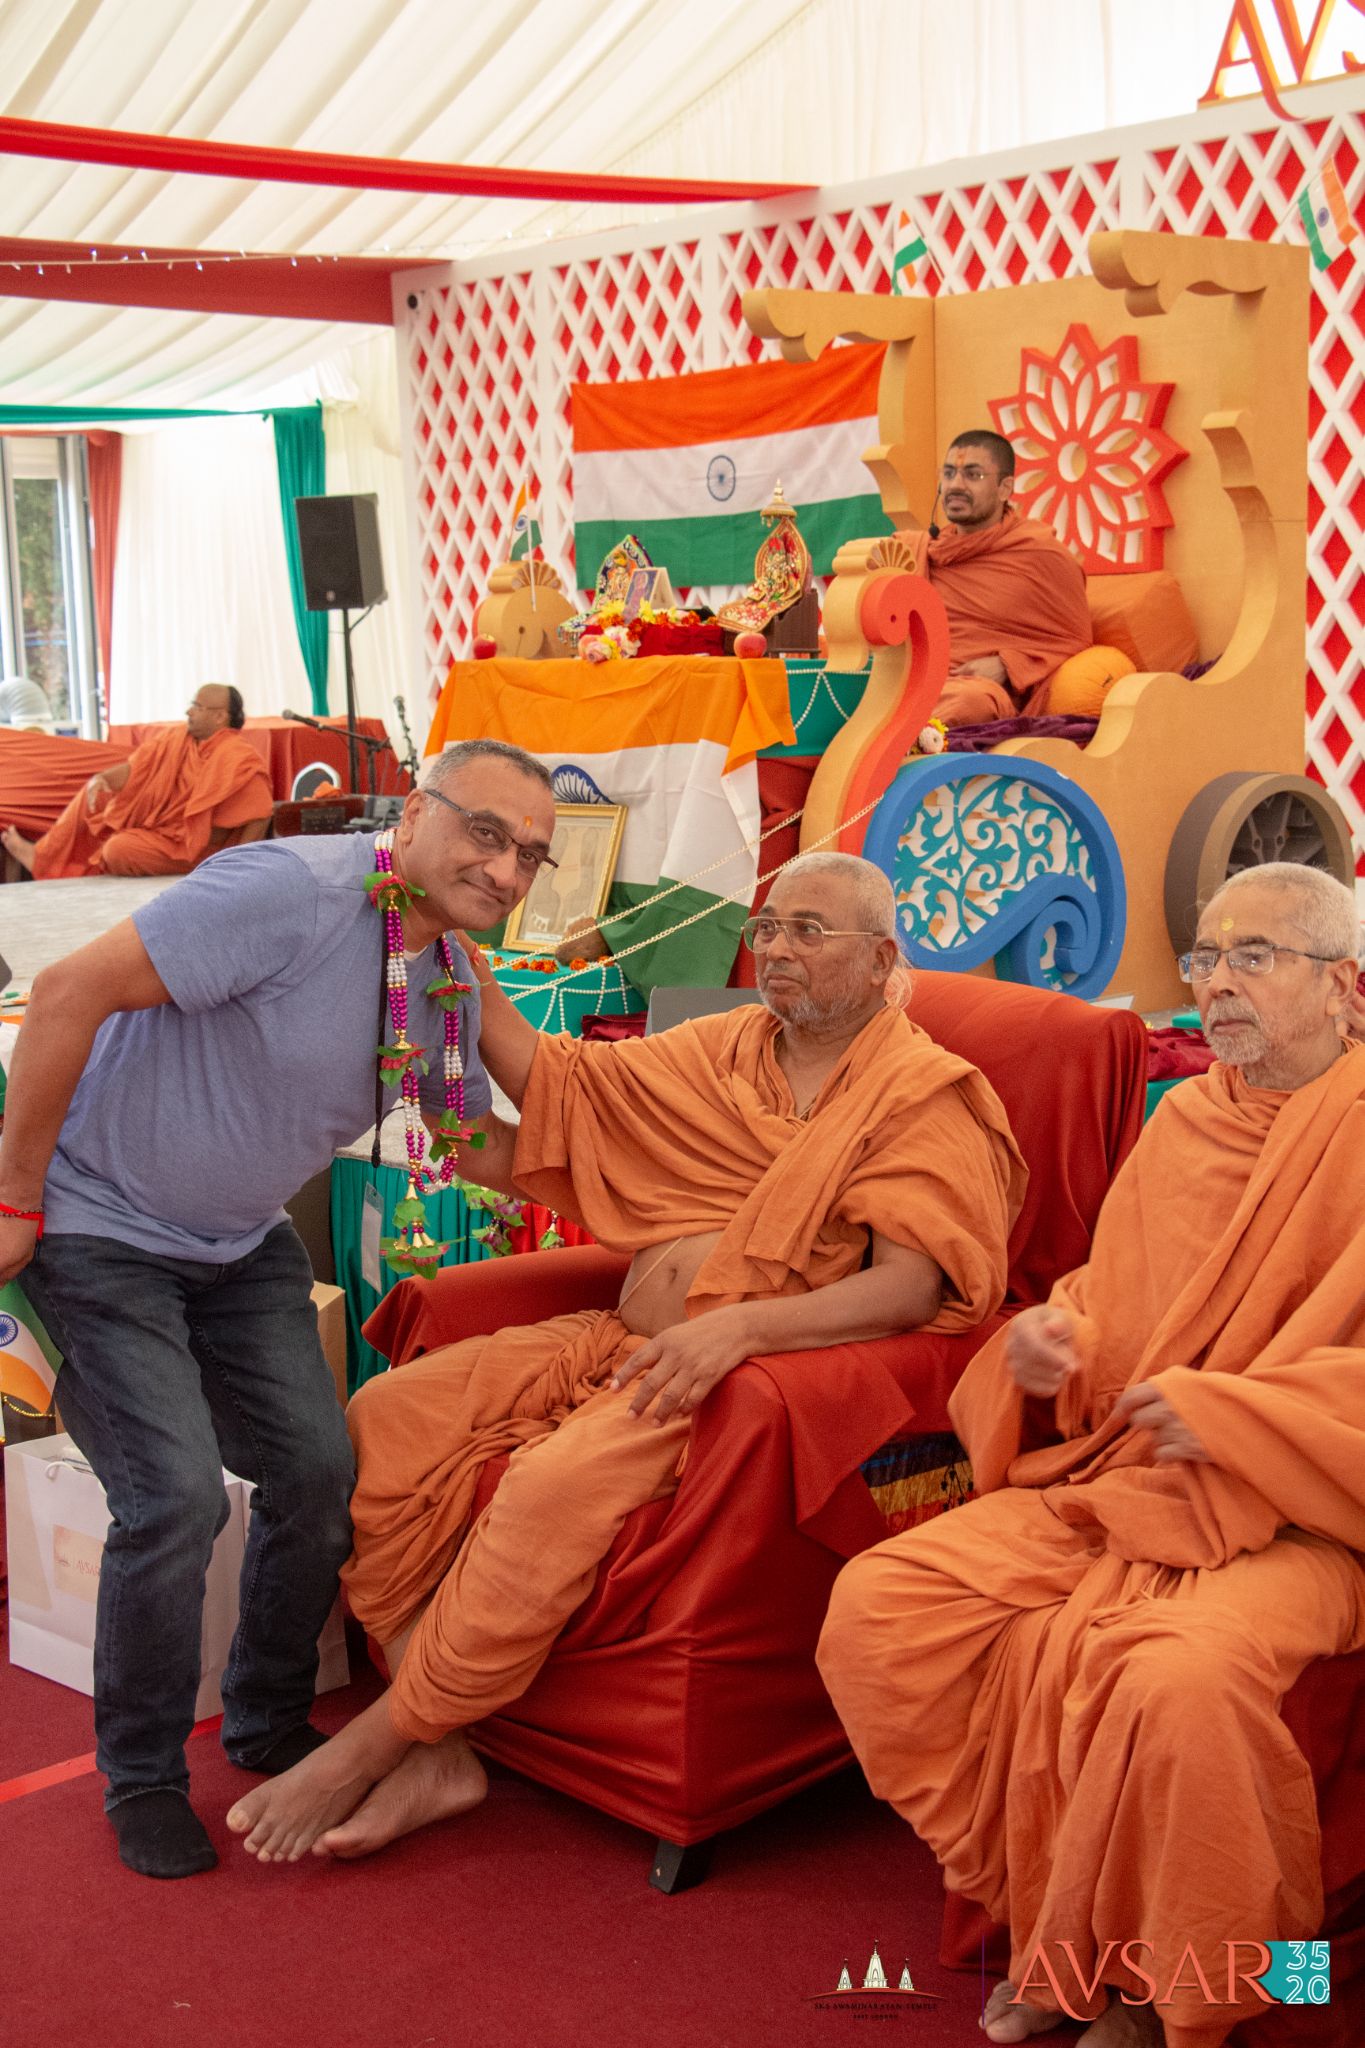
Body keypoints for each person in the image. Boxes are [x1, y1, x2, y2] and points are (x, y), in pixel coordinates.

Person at [224, 851, 1027, 1866]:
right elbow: (566, 1086)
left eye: (809, 931)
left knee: (546, 1486)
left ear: (880, 957)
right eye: (770, 926)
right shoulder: (731, 1047)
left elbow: (917, 1286)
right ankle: (446, 1743)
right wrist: (445, 945)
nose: (777, 949)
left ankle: (379, 1740)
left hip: (735, 1374)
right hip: (621, 1336)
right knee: (383, 1419)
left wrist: (738, 1329)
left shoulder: (924, 1095)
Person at [817, 861, 1365, 2048]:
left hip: (1312, 1518)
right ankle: (1061, 1931)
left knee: (1170, 1677)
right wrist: (1049, 1349)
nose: (1216, 984)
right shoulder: (1188, 1126)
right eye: (1207, 958)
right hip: (1130, 1482)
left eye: (1253, 957)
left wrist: (1240, 1418)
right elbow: (1118, 1307)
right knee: (880, 1604)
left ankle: (1188, 1997)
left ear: (1345, 988)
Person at [0, 739, 557, 1879]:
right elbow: (65, 989)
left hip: (239, 1242)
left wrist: (653, 1200)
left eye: (533, 856)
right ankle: (144, 1775)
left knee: (318, 1473)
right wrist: (14, 1198)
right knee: (176, 1501)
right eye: (488, 834)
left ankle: (258, 1717)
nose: (508, 872)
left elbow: (469, 1139)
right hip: (100, 1224)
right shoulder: (288, 892)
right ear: (415, 814)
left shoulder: (441, 973)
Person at [907, 431, 1093, 728]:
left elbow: (1074, 638)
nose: (955, 485)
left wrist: (1008, 665)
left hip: (974, 690)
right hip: (913, 679)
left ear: (1005, 488)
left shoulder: (1040, 554)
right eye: (949, 473)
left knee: (970, 703)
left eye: (973, 475)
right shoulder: (920, 551)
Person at [1, 685, 272, 878]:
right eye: (192, 704)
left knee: (118, 850)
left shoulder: (238, 756)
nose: (189, 711)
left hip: (194, 848)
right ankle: (43, 856)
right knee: (94, 794)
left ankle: (76, 862)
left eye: (197, 707)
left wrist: (238, 865)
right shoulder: (175, 739)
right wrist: (104, 779)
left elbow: (259, 813)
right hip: (157, 830)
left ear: (220, 716)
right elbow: (137, 770)